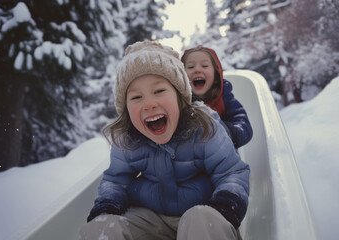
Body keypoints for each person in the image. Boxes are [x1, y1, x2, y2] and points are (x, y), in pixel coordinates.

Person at [79, 41, 250, 240]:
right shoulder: (128, 140)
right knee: (101, 229)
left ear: (180, 97)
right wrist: (107, 206)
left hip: (202, 213)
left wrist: (225, 206)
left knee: (201, 219)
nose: (149, 104)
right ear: (125, 109)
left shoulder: (204, 128)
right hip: (150, 220)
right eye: (136, 97)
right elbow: (116, 181)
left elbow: (231, 171)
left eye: (159, 91)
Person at [181, 45, 253, 148]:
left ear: (216, 76)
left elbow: (244, 127)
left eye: (204, 66)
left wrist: (226, 132)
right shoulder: (180, 102)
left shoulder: (225, 99)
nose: (197, 70)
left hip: (223, 155)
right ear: (181, 76)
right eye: (190, 67)